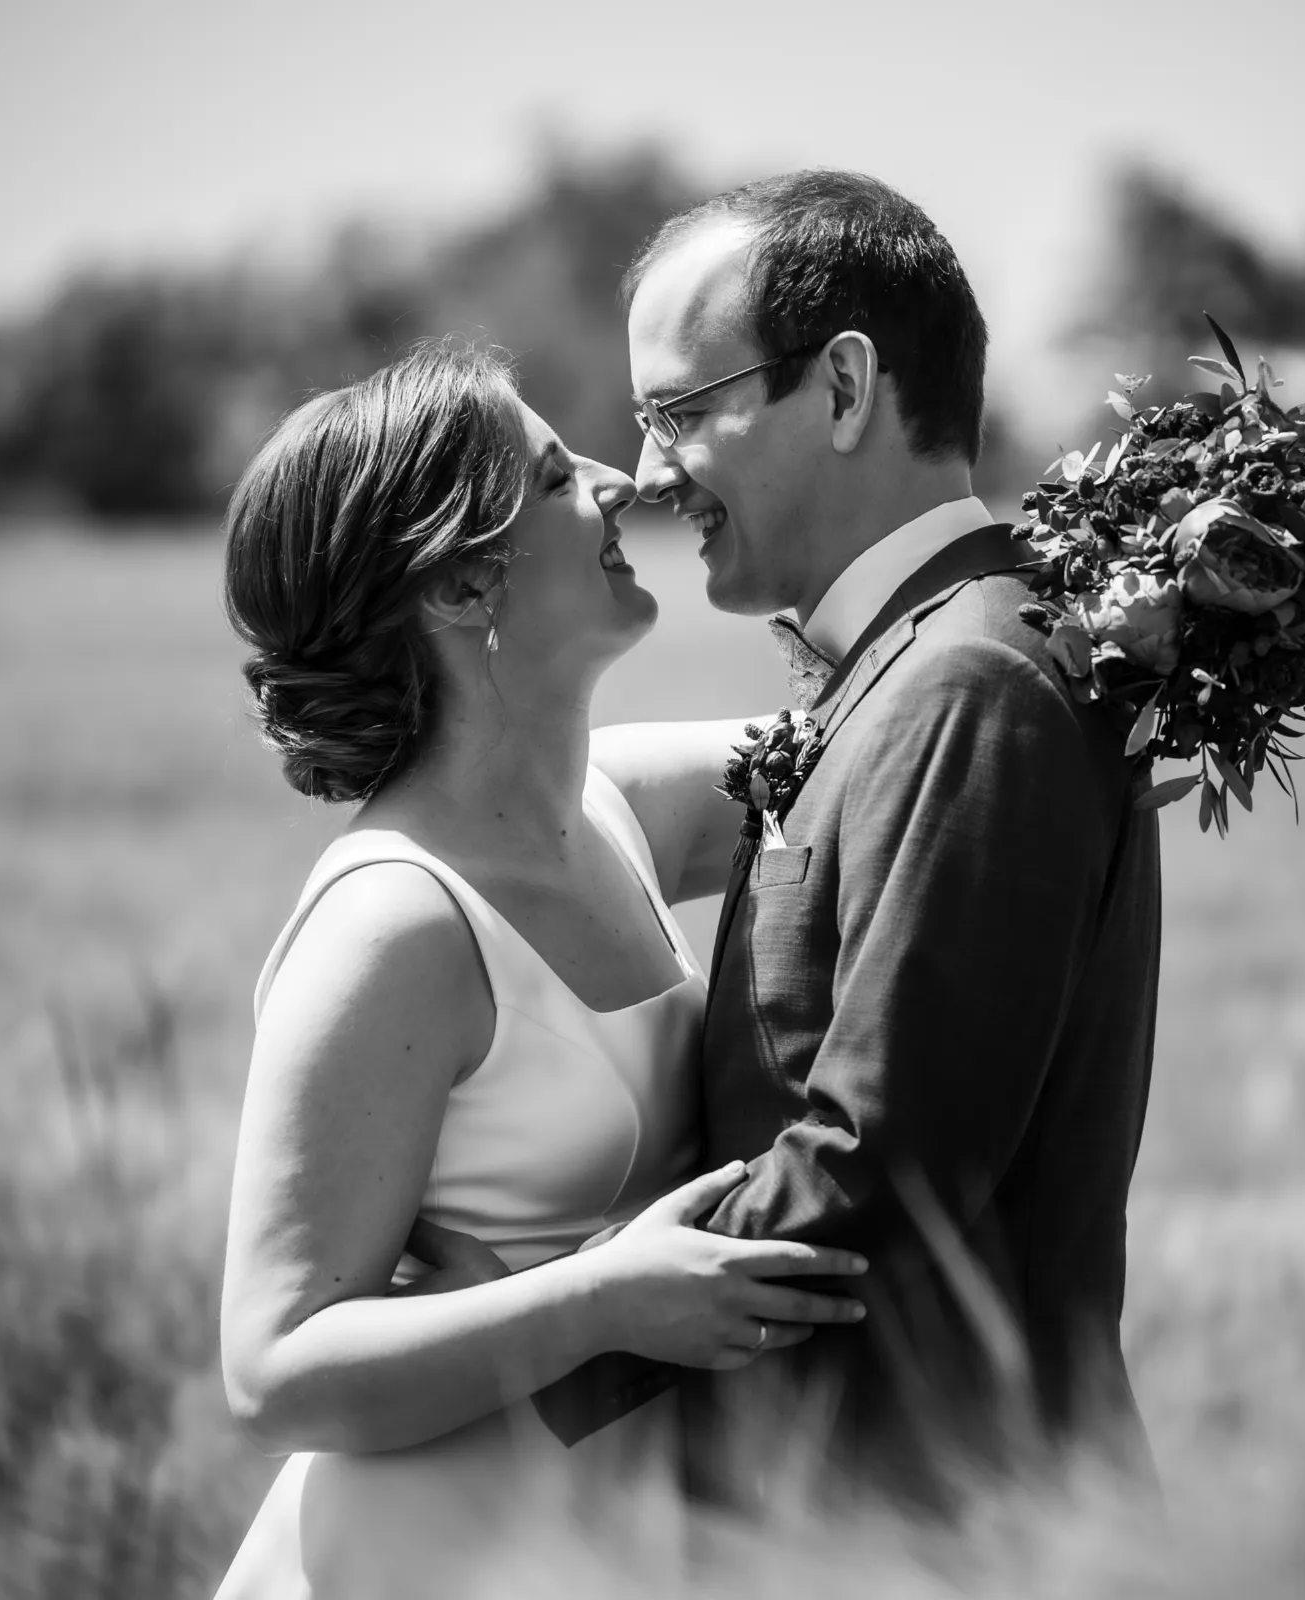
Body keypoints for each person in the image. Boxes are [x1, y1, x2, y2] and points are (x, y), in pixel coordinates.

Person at [530, 170, 1165, 1509]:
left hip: (941, 1526)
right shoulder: (909, 667)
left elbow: (882, 1171)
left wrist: (524, 1382)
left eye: (681, 413)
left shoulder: (972, 679)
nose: (647, 473)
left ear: (842, 388)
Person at [209, 343, 869, 1598]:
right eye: (559, 472)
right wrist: (598, 1301)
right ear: (464, 581)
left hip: (599, 1545)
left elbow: (901, 735)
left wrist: (1167, 607)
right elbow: (271, 1368)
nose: (623, 480)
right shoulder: (396, 923)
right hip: (417, 1557)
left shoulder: (618, 802)